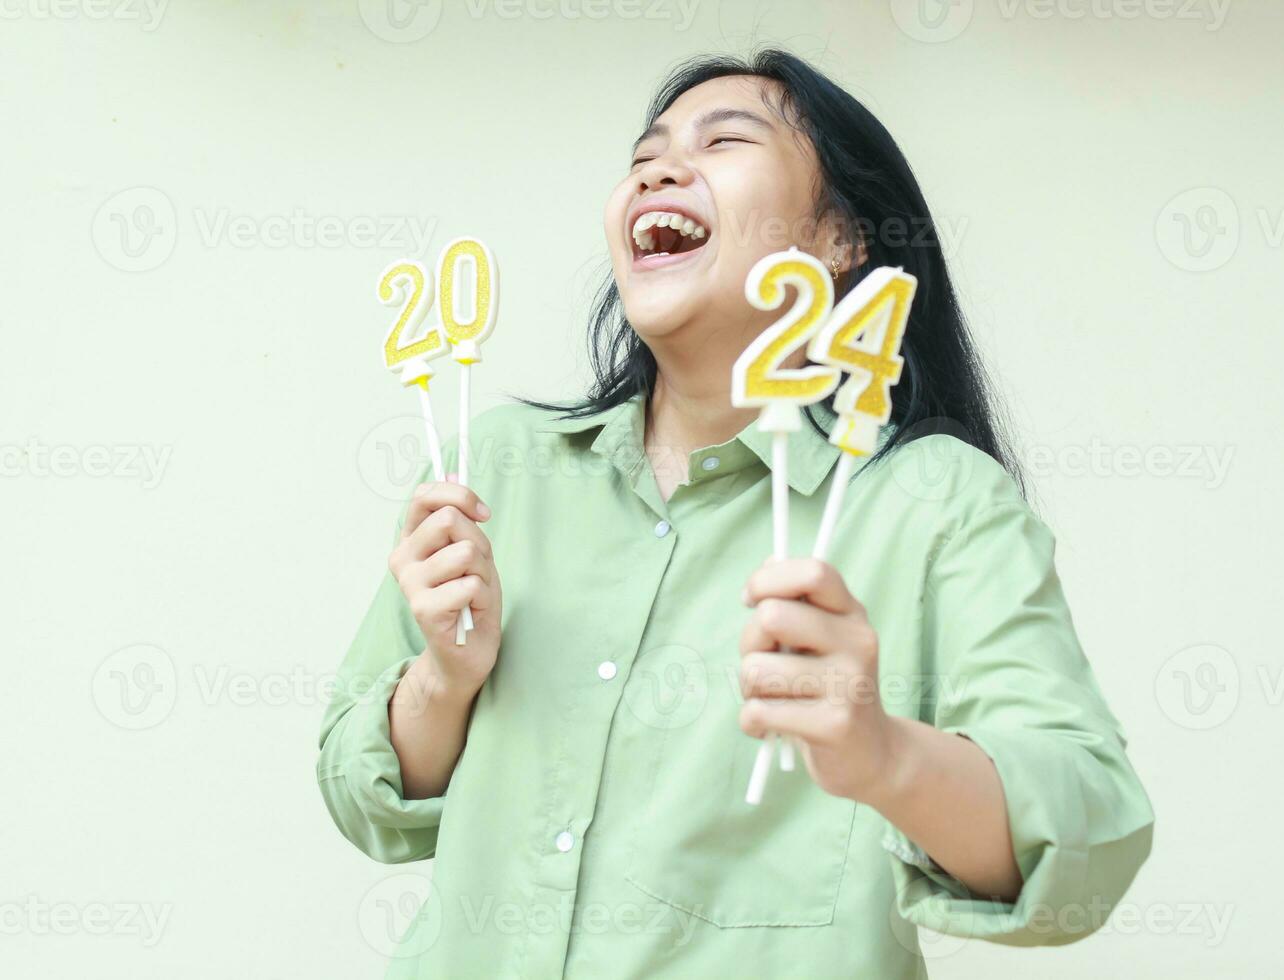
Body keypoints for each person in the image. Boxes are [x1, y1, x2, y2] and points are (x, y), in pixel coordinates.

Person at [317, 49, 1154, 979]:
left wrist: (881, 754)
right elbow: (366, 804)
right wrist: (447, 678)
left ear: (840, 239)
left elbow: (1091, 835)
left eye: (725, 141)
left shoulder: (932, 500)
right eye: (646, 154)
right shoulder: (499, 468)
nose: (659, 170)